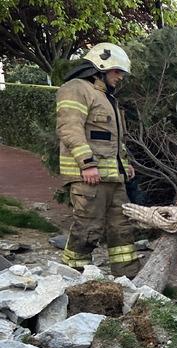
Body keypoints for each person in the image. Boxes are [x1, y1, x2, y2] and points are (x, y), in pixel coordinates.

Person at [56, 42, 140, 277]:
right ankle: (72, 277)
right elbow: (70, 129)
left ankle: (129, 279)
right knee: (88, 228)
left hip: (114, 178)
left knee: (122, 230)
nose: (120, 77)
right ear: (100, 67)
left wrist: (124, 164)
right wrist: (87, 164)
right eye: (117, 71)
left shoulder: (107, 98)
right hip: (89, 177)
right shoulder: (76, 89)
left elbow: (111, 139)